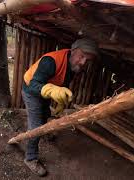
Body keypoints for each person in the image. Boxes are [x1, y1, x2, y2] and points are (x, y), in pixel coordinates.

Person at [22, 38, 99, 176]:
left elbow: (62, 82)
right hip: (31, 90)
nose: (83, 63)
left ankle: (44, 134)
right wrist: (50, 91)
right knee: (35, 126)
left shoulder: (74, 66)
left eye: (87, 60)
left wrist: (60, 102)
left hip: (46, 89)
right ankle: (30, 158)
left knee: (45, 113)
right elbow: (34, 85)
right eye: (81, 56)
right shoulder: (50, 61)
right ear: (73, 51)